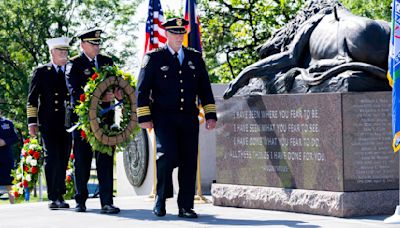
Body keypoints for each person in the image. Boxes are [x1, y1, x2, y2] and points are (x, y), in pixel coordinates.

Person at [136, 18, 217, 218]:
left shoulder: (194, 58)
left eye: (182, 33)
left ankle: (186, 206)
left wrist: (210, 114)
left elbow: (204, 88)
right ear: (167, 34)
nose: (179, 36)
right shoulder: (154, 58)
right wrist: (144, 117)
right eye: (175, 33)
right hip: (164, 118)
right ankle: (161, 198)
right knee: (167, 156)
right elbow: (142, 90)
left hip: (189, 117)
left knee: (189, 161)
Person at [65, 29, 120, 214]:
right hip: (84, 122)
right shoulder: (74, 64)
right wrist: (99, 97)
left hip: (105, 121)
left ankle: (107, 202)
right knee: (82, 161)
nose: (96, 47)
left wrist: (116, 93)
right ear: (82, 45)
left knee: (105, 160)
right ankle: (80, 200)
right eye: (92, 43)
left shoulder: (107, 62)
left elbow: (116, 82)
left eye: (98, 43)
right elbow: (74, 92)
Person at [27, 37, 72, 209]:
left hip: (67, 123)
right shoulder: (42, 71)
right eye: (60, 52)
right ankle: (54, 196)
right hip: (48, 123)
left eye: (66, 51)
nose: (64, 55)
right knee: (52, 157)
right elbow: (32, 99)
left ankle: (60, 194)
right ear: (52, 53)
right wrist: (32, 122)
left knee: (63, 158)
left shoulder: (70, 70)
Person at [0, 114, 19, 204]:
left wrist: (5, 142)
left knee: (9, 183)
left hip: (6, 158)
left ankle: (13, 205)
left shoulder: (7, 123)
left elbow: (15, 137)